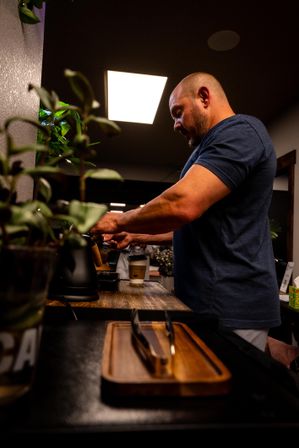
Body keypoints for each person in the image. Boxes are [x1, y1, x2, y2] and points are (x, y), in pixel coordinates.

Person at [91, 72, 281, 351]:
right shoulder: (208, 150)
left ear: (204, 97)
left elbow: (182, 204)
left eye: (178, 112)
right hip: (202, 301)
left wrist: (118, 221)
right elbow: (196, 226)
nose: (175, 124)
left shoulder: (240, 132)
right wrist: (136, 236)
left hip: (231, 304)